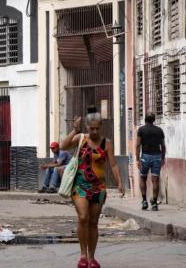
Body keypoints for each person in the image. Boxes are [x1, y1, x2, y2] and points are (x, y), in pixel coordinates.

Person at [61, 107, 125, 268]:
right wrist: (74, 129)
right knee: (83, 217)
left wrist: (120, 182)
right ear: (87, 127)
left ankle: (91, 257)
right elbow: (63, 146)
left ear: (101, 126)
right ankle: (82, 255)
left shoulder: (107, 143)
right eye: (92, 128)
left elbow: (114, 165)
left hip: (98, 187)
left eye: (97, 128)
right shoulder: (81, 138)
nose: (95, 131)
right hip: (79, 185)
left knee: (94, 222)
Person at [136, 113, 166, 211]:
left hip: (145, 156)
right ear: (154, 120)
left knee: (142, 177)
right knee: (155, 180)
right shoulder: (159, 130)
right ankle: (154, 204)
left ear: (145, 120)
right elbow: (163, 146)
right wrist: (162, 158)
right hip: (157, 156)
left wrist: (137, 159)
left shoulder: (141, 130)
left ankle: (144, 201)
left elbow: (138, 145)